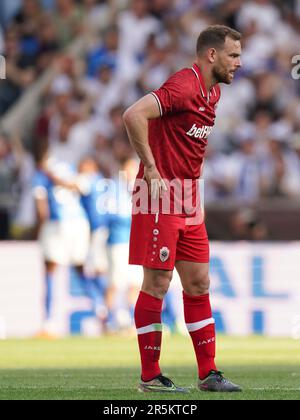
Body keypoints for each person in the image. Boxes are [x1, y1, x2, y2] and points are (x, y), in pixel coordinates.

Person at [123, 25, 242, 393]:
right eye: (233, 55)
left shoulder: (213, 92)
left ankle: (208, 374)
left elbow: (185, 146)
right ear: (212, 55)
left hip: (190, 200)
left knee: (199, 283)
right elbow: (133, 115)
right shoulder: (184, 85)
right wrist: (153, 170)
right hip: (159, 196)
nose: (238, 62)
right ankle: (150, 376)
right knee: (157, 284)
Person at [32, 141, 90, 337]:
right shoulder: (69, 168)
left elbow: (42, 210)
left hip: (57, 224)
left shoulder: (41, 175)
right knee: (81, 269)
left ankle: (48, 322)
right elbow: (82, 190)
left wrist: (36, 232)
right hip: (80, 222)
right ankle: (106, 312)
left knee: (50, 271)